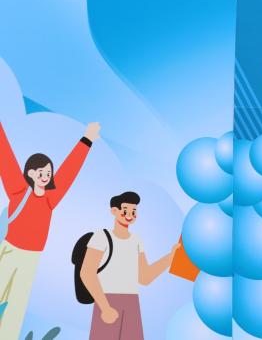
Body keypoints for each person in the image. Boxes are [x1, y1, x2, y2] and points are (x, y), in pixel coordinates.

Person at [0, 120, 100, 340]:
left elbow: (68, 172)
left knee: (17, 306)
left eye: (48, 172)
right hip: (10, 251)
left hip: (31, 258)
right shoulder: (17, 190)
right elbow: (5, 155)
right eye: (41, 172)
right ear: (30, 173)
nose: (46, 176)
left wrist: (86, 140)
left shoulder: (49, 199)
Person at [81, 191, 179, 340]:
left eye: (134, 211)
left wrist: (170, 258)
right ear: (114, 211)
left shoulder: (136, 240)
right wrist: (105, 307)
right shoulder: (101, 237)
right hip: (107, 299)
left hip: (132, 302)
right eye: (125, 210)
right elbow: (87, 273)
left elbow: (145, 278)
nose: (130, 215)